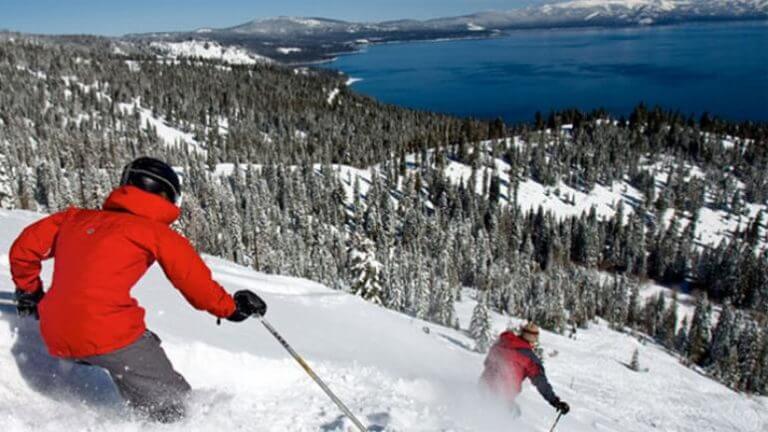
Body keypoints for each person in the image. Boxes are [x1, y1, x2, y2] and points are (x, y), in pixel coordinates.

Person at [10, 157, 267, 422]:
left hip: (55, 331)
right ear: (165, 195)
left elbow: (23, 250)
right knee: (179, 409)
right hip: (104, 332)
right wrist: (233, 309)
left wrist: (29, 292)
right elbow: (195, 284)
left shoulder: (74, 218)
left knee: (137, 341)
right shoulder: (155, 232)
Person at [480, 322, 570, 417]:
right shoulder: (529, 358)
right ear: (534, 339)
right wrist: (555, 401)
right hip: (502, 397)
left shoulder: (503, 342)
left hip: (483, 385)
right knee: (510, 416)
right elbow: (541, 382)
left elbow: (487, 362)